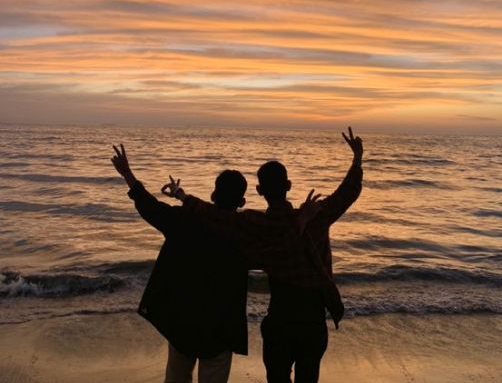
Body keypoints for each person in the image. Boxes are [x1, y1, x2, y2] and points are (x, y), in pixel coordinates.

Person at [165, 127, 363, 383]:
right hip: (313, 320)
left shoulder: (255, 223)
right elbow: (348, 192)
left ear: (259, 191)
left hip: (280, 319)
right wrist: (357, 159)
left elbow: (218, 216)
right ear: (289, 186)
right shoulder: (317, 215)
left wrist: (183, 197)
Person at [111, 145, 320, 383]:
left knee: (176, 377)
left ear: (212, 196)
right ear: (242, 202)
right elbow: (277, 250)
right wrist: (300, 220)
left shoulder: (183, 221)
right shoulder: (244, 237)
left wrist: (127, 173)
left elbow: (149, 206)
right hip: (222, 326)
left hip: (182, 319)